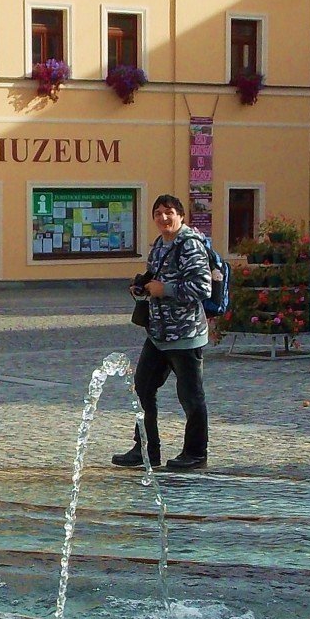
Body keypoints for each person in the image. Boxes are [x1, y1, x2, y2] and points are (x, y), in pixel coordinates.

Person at [114, 194, 211, 472]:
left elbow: (202, 288)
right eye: (158, 213)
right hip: (158, 333)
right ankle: (145, 450)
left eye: (168, 212)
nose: (163, 218)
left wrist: (165, 290)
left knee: (191, 396)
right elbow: (155, 276)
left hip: (185, 333)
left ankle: (195, 453)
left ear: (180, 215)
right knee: (142, 388)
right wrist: (143, 285)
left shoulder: (190, 245)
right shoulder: (160, 244)